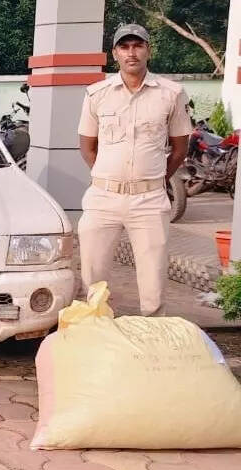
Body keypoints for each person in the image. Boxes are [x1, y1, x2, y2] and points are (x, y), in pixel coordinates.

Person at [78, 23, 191, 316]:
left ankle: (151, 344)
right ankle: (98, 337)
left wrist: (155, 179)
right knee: (94, 279)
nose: (132, 53)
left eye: (138, 46)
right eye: (125, 47)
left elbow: (180, 148)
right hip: (103, 198)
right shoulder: (97, 94)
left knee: (154, 282)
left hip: (150, 200)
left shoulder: (171, 94)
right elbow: (87, 145)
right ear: (115, 53)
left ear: (148, 51)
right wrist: (108, 177)